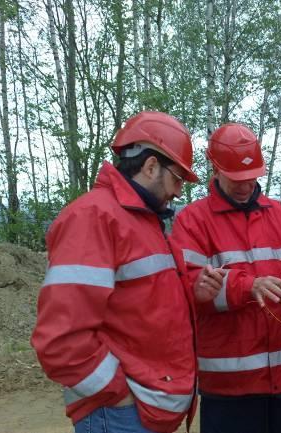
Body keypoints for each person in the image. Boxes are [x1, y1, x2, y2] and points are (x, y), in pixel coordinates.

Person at [31, 111, 200, 433]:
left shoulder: (143, 220)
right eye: (178, 178)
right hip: (121, 414)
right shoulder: (93, 217)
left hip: (139, 412)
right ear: (151, 166)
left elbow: (145, 302)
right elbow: (61, 340)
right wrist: (117, 395)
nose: (179, 191)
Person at [170, 122, 281, 433]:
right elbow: (188, 286)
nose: (245, 185)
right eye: (235, 178)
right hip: (228, 386)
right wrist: (247, 286)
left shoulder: (278, 213)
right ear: (215, 169)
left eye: (251, 176)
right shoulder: (193, 221)